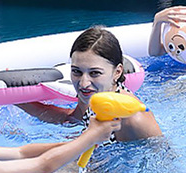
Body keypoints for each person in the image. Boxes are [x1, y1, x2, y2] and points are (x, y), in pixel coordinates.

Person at [19, 26, 161, 141]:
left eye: (94, 73)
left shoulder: (133, 119)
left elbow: (160, 162)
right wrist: (17, 100)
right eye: (76, 71)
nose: (83, 83)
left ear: (117, 72)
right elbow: (71, 119)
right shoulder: (94, 95)